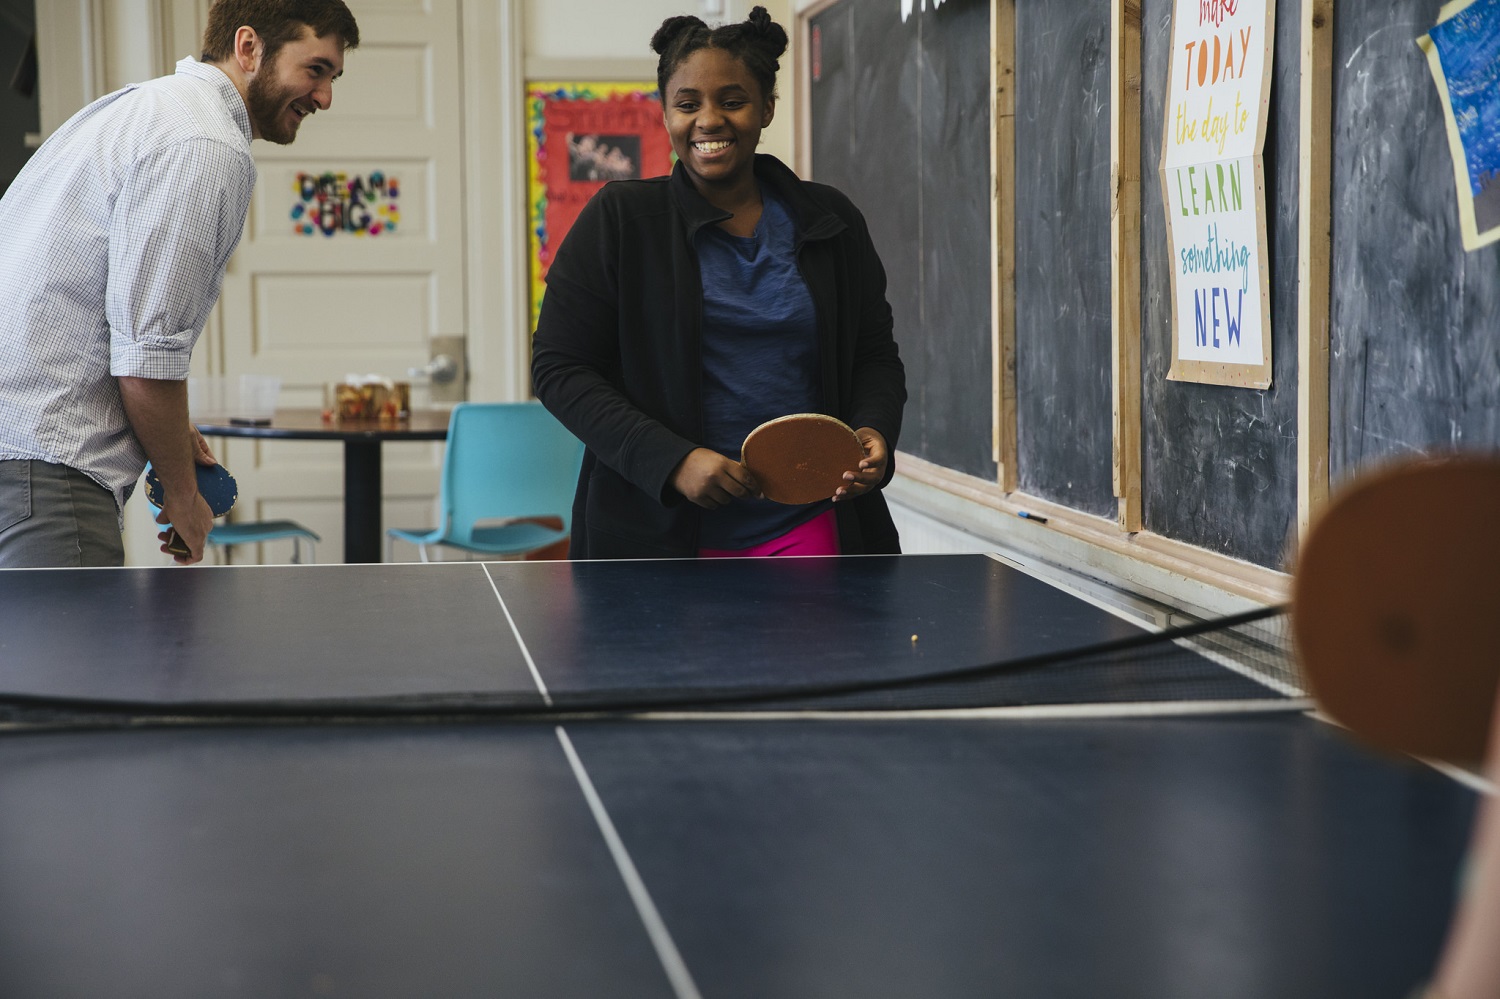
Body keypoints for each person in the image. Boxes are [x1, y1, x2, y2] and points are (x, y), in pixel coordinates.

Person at [532, 7, 906, 560]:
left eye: (732, 101)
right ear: (666, 114)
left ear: (766, 108)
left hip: (810, 521)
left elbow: (874, 355)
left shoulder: (831, 220)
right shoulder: (619, 221)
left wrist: (874, 431)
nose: (709, 120)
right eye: (688, 104)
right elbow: (559, 368)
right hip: (657, 537)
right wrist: (672, 460)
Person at [0, 0, 359, 569]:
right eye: (315, 69)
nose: (325, 97)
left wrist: (173, 434)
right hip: (44, 470)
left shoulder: (136, 108)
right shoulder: (206, 145)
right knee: (80, 661)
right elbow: (145, 359)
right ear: (249, 48)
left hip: (18, 456)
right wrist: (185, 498)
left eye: (333, 77)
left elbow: (98, 318)